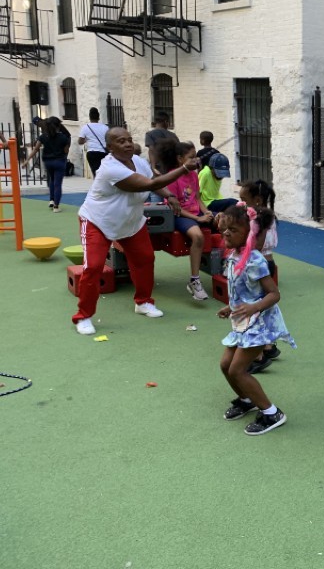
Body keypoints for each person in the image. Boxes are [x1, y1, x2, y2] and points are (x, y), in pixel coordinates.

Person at [72, 127, 195, 335]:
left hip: (131, 223)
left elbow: (155, 184)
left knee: (145, 260)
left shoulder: (138, 161)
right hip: (98, 222)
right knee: (93, 268)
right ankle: (83, 316)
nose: (128, 144)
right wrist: (184, 169)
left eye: (129, 140)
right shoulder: (111, 168)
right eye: (121, 141)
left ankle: (143, 302)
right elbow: (149, 183)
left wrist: (170, 196)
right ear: (109, 147)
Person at [217, 204, 296, 436]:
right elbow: (241, 292)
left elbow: (274, 294)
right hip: (242, 322)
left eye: (233, 229)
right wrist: (229, 308)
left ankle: (271, 412)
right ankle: (246, 399)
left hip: (259, 324)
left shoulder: (255, 260)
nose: (226, 233)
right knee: (225, 366)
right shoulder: (234, 256)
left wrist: (252, 308)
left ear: (248, 233)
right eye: (225, 229)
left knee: (238, 369)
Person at [160, 140, 213, 301]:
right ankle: (194, 281)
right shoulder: (172, 177)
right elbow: (176, 208)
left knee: (226, 222)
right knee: (197, 236)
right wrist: (198, 218)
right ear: (180, 159)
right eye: (191, 157)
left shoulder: (193, 174)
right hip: (180, 216)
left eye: (196, 156)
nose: (196, 160)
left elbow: (197, 198)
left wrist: (207, 212)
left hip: (196, 213)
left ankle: (230, 269)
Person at [238, 179, 281, 373]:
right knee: (263, 307)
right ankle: (269, 346)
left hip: (259, 265)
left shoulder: (259, 217)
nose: (241, 203)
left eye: (244, 200)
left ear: (256, 200)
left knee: (255, 308)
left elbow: (257, 244)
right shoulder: (264, 213)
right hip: (266, 263)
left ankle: (259, 356)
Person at [23, 116, 71, 213]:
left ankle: (51, 200)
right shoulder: (63, 138)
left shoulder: (43, 137)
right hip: (59, 161)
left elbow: (36, 149)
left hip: (48, 162)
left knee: (52, 180)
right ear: (58, 126)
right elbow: (66, 150)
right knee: (58, 184)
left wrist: (27, 160)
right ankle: (56, 206)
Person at [77, 107, 110, 177]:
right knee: (104, 171)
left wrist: (86, 139)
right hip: (103, 152)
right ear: (98, 117)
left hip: (92, 152)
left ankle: (98, 185)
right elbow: (109, 139)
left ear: (90, 117)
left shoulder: (85, 127)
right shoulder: (105, 127)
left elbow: (80, 141)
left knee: (95, 172)